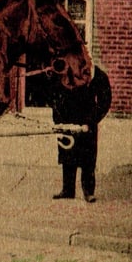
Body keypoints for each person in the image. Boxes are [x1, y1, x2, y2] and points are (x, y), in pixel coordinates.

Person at [50, 65, 112, 202]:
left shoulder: (96, 75)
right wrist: (57, 118)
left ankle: (88, 191)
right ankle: (68, 189)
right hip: (66, 120)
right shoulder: (64, 72)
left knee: (88, 157)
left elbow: (105, 100)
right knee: (67, 152)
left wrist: (91, 120)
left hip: (86, 122)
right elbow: (54, 94)